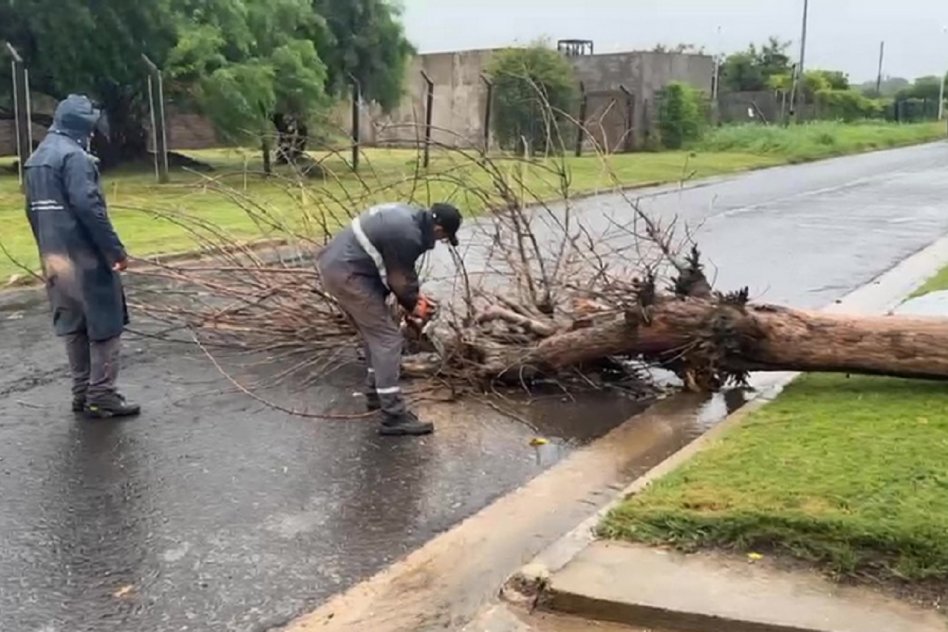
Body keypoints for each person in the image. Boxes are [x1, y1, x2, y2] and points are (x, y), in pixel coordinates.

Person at [24, 94, 140, 419]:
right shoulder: (75, 158)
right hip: (85, 257)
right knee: (105, 323)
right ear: (84, 128)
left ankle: (81, 393)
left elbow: (31, 212)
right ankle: (101, 394)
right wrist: (114, 251)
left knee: (73, 323)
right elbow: (89, 208)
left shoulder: (36, 159)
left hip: (54, 257)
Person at [317, 202, 463, 436]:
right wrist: (415, 305)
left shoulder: (408, 218)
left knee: (376, 334)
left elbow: (394, 270)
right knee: (388, 339)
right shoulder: (408, 234)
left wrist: (412, 299)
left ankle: (376, 394)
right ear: (438, 229)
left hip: (343, 266)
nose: (437, 243)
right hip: (348, 274)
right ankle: (393, 416)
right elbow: (400, 280)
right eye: (443, 237)